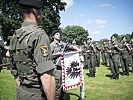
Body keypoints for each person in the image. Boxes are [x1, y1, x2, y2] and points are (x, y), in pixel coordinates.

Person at [9, 0, 56, 100]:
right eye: (41, 11)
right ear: (35, 11)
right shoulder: (39, 35)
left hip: (21, 93)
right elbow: (47, 77)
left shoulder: (15, 36)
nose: (42, 14)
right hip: (37, 95)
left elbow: (15, 73)